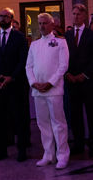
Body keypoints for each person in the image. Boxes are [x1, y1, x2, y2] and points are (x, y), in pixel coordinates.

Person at [26, 13, 71, 168]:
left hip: (54, 89)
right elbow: (28, 66)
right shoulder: (34, 45)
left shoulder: (60, 42)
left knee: (58, 124)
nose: (42, 26)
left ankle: (62, 155)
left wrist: (50, 83)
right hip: (38, 90)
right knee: (43, 123)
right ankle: (48, 154)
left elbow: (63, 66)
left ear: (52, 25)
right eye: (40, 23)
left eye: (45, 23)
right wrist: (33, 82)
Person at [0, 9, 30, 161]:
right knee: (1, 119)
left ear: (11, 18)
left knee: (19, 118)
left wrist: (11, 77)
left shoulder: (19, 37)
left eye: (5, 16)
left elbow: (23, 60)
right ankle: (2, 150)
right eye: (0, 16)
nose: (2, 19)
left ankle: (22, 150)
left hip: (15, 85)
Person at [63, 3, 93, 156]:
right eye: (73, 14)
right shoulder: (67, 35)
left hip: (88, 81)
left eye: (78, 14)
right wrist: (68, 74)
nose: (76, 16)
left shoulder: (92, 35)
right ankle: (78, 144)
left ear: (84, 15)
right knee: (75, 115)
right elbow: (63, 58)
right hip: (71, 81)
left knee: (92, 114)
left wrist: (84, 75)